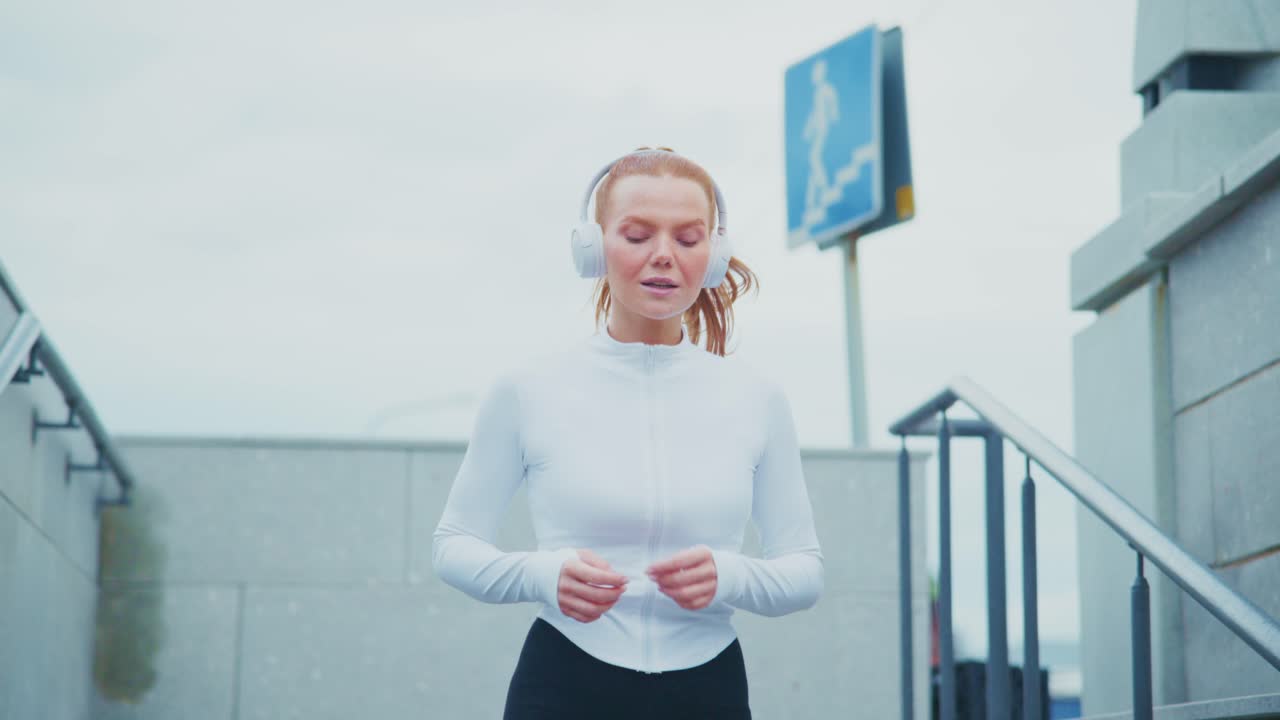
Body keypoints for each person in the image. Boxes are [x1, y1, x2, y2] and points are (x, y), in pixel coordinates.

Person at [432, 147, 824, 719]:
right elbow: (453, 545)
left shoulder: (757, 398)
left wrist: (730, 576)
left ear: (714, 255)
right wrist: (544, 574)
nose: (663, 256)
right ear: (593, 247)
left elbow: (804, 570)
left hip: (707, 688)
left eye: (688, 240)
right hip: (563, 680)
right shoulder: (527, 388)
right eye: (637, 235)